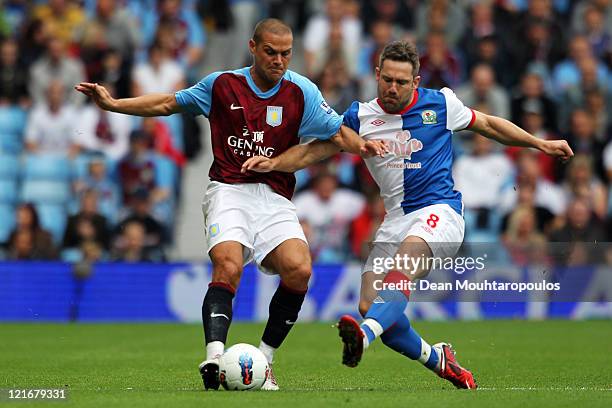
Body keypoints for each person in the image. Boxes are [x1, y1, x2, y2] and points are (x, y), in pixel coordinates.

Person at [242, 40, 573, 389]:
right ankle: (438, 358)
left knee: (403, 265)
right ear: (376, 75)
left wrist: (541, 144)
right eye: (387, 79)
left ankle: (364, 339)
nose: (393, 88)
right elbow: (315, 151)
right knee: (371, 304)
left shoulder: (441, 104)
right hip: (395, 220)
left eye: (402, 82)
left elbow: (489, 125)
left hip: (439, 212)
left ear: (415, 82)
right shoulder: (359, 117)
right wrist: (275, 163)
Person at [75, 18, 385, 391]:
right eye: (271, 52)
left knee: (300, 270)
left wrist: (362, 146)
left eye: (286, 54)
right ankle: (214, 356)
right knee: (228, 265)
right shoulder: (222, 85)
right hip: (228, 189)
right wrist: (113, 104)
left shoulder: (301, 91)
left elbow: (337, 132)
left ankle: (265, 362)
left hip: (274, 195)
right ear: (253, 47)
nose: (279, 61)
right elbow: (168, 103)